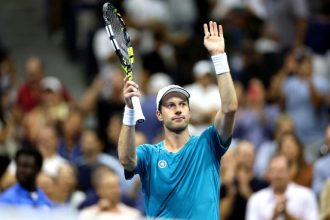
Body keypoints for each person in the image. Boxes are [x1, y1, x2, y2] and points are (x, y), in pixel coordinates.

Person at [118, 21, 238, 219]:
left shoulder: (208, 143)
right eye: (170, 105)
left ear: (189, 112)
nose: (178, 109)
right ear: (159, 115)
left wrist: (219, 56)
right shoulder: (149, 154)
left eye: (182, 104)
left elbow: (230, 108)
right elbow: (126, 159)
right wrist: (130, 110)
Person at [246, 154, 319, 220]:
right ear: (268, 174)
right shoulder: (256, 199)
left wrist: (287, 214)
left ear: (290, 172)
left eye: (281, 171)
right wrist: (274, 216)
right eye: (273, 171)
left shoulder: (306, 195)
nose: (277, 176)